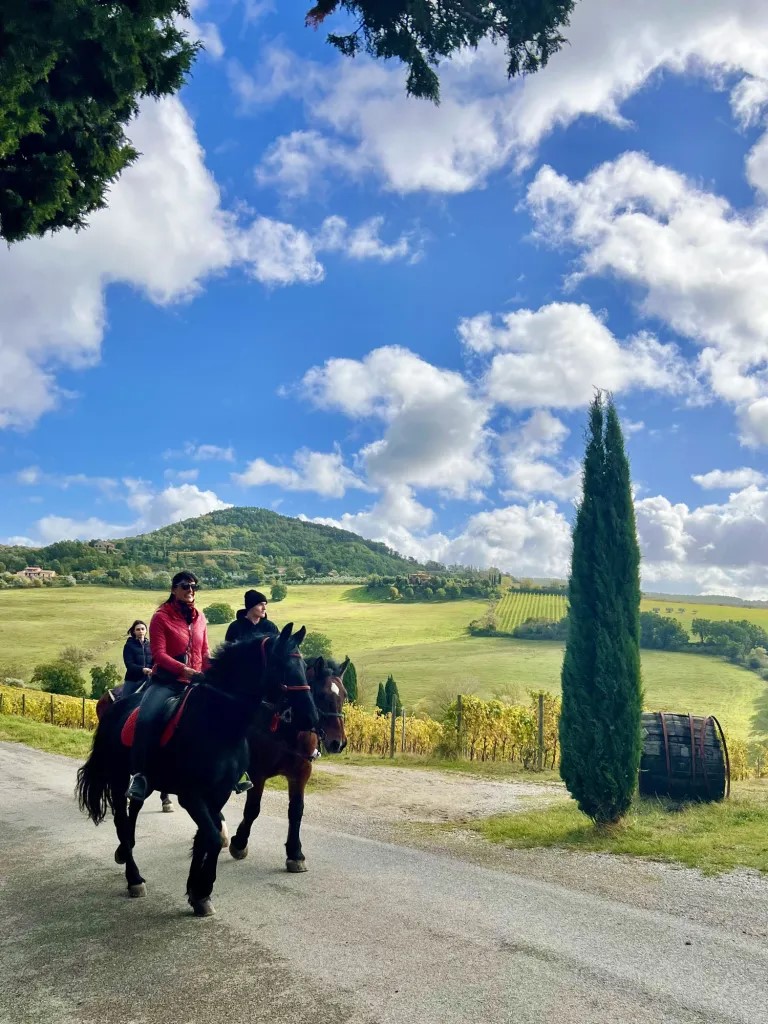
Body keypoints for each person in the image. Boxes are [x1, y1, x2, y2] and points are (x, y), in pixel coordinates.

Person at [126, 571, 210, 803]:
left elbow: (204, 652)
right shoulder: (161, 617)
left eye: (194, 586)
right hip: (167, 682)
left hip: (196, 682)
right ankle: (140, 775)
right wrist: (184, 670)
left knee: (224, 712)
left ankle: (234, 768)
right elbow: (159, 655)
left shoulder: (200, 618)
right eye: (185, 586)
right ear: (174, 589)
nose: (190, 590)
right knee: (146, 718)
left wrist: (215, 672)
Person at [122, 620, 154, 699]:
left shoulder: (151, 646)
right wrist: (142, 669)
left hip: (149, 679)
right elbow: (129, 664)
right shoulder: (129, 646)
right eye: (138, 629)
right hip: (133, 680)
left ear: (146, 630)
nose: (141, 631)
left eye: (143, 629)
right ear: (134, 631)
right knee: (123, 702)